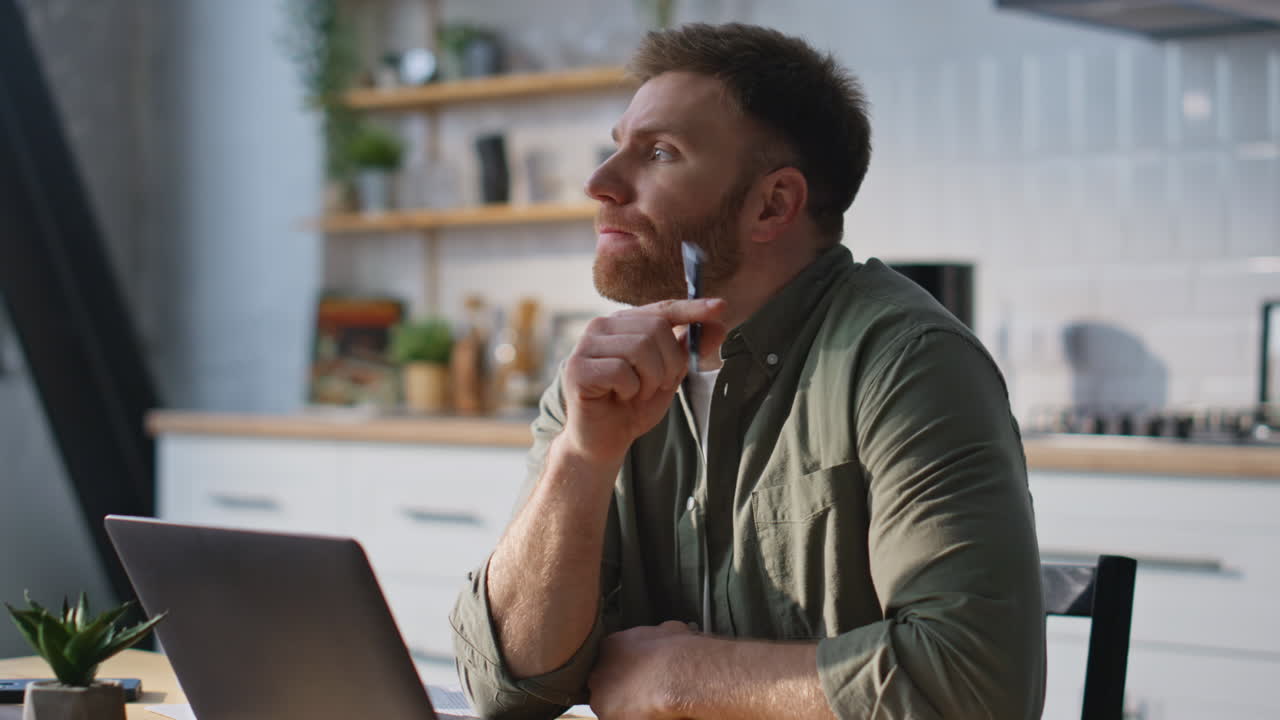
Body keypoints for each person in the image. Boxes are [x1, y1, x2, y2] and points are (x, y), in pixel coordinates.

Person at [451, 22, 1045, 720]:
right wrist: (581, 457)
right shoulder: (602, 378)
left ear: (773, 204)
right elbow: (505, 684)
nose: (601, 183)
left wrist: (682, 681)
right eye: (618, 149)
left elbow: (977, 691)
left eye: (660, 153)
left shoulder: (909, 364)